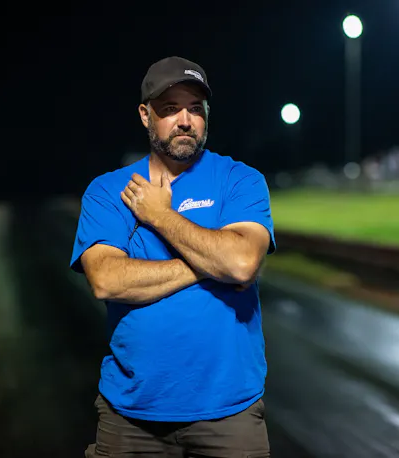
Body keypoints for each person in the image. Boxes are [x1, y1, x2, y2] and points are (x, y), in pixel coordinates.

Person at [70, 56, 275, 457]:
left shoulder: (240, 180)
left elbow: (241, 263)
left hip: (229, 415)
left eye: (195, 108)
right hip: (130, 415)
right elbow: (106, 280)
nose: (185, 121)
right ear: (145, 115)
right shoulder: (109, 190)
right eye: (169, 109)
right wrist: (208, 264)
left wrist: (159, 215)